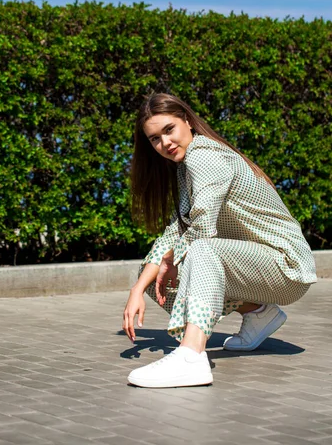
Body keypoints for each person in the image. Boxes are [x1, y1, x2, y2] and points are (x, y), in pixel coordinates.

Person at [123, 93, 317, 388]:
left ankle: (191, 355)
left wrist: (170, 260)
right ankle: (258, 314)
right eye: (154, 139)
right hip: (257, 265)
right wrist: (137, 289)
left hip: (286, 264)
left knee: (201, 248)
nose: (164, 143)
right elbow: (176, 231)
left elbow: (201, 229)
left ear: (187, 121)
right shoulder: (187, 166)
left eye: (169, 129)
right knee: (153, 276)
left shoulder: (204, 156)